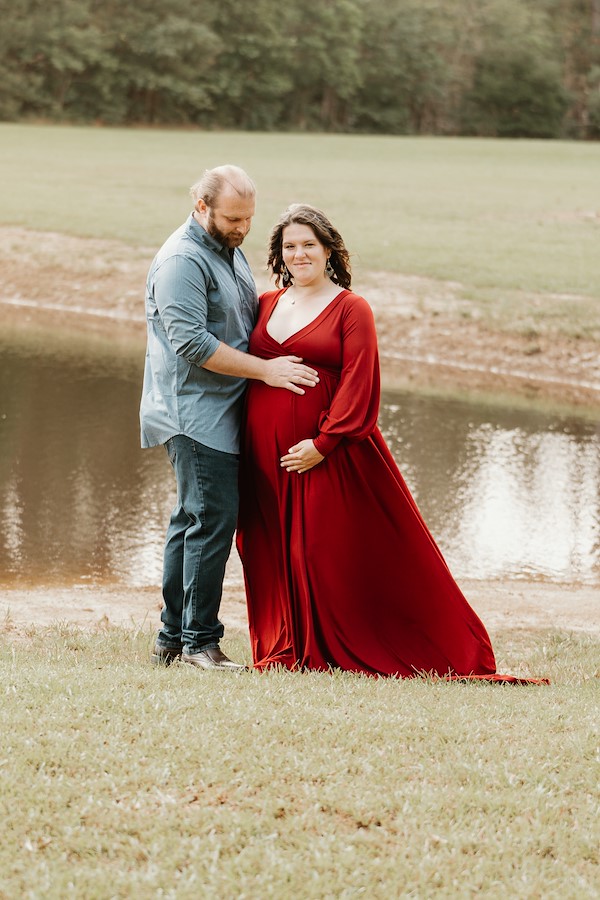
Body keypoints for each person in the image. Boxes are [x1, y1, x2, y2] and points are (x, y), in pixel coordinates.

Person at [236, 204, 548, 683]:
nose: (298, 254)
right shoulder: (266, 303)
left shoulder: (351, 308)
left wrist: (324, 442)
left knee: (319, 552)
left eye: (308, 245)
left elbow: (361, 383)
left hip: (325, 456)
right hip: (264, 454)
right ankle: (287, 645)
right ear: (278, 254)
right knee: (271, 547)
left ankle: (338, 645)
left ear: (328, 251)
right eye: (289, 246)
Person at [140, 168, 319, 671]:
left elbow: (244, 318)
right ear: (201, 207)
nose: (243, 228)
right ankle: (201, 643)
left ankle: (171, 639)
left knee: (191, 521)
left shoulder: (227, 249)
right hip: (193, 414)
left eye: (248, 219)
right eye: (232, 218)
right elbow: (192, 344)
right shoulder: (182, 260)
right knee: (211, 522)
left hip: (223, 411)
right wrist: (267, 371)